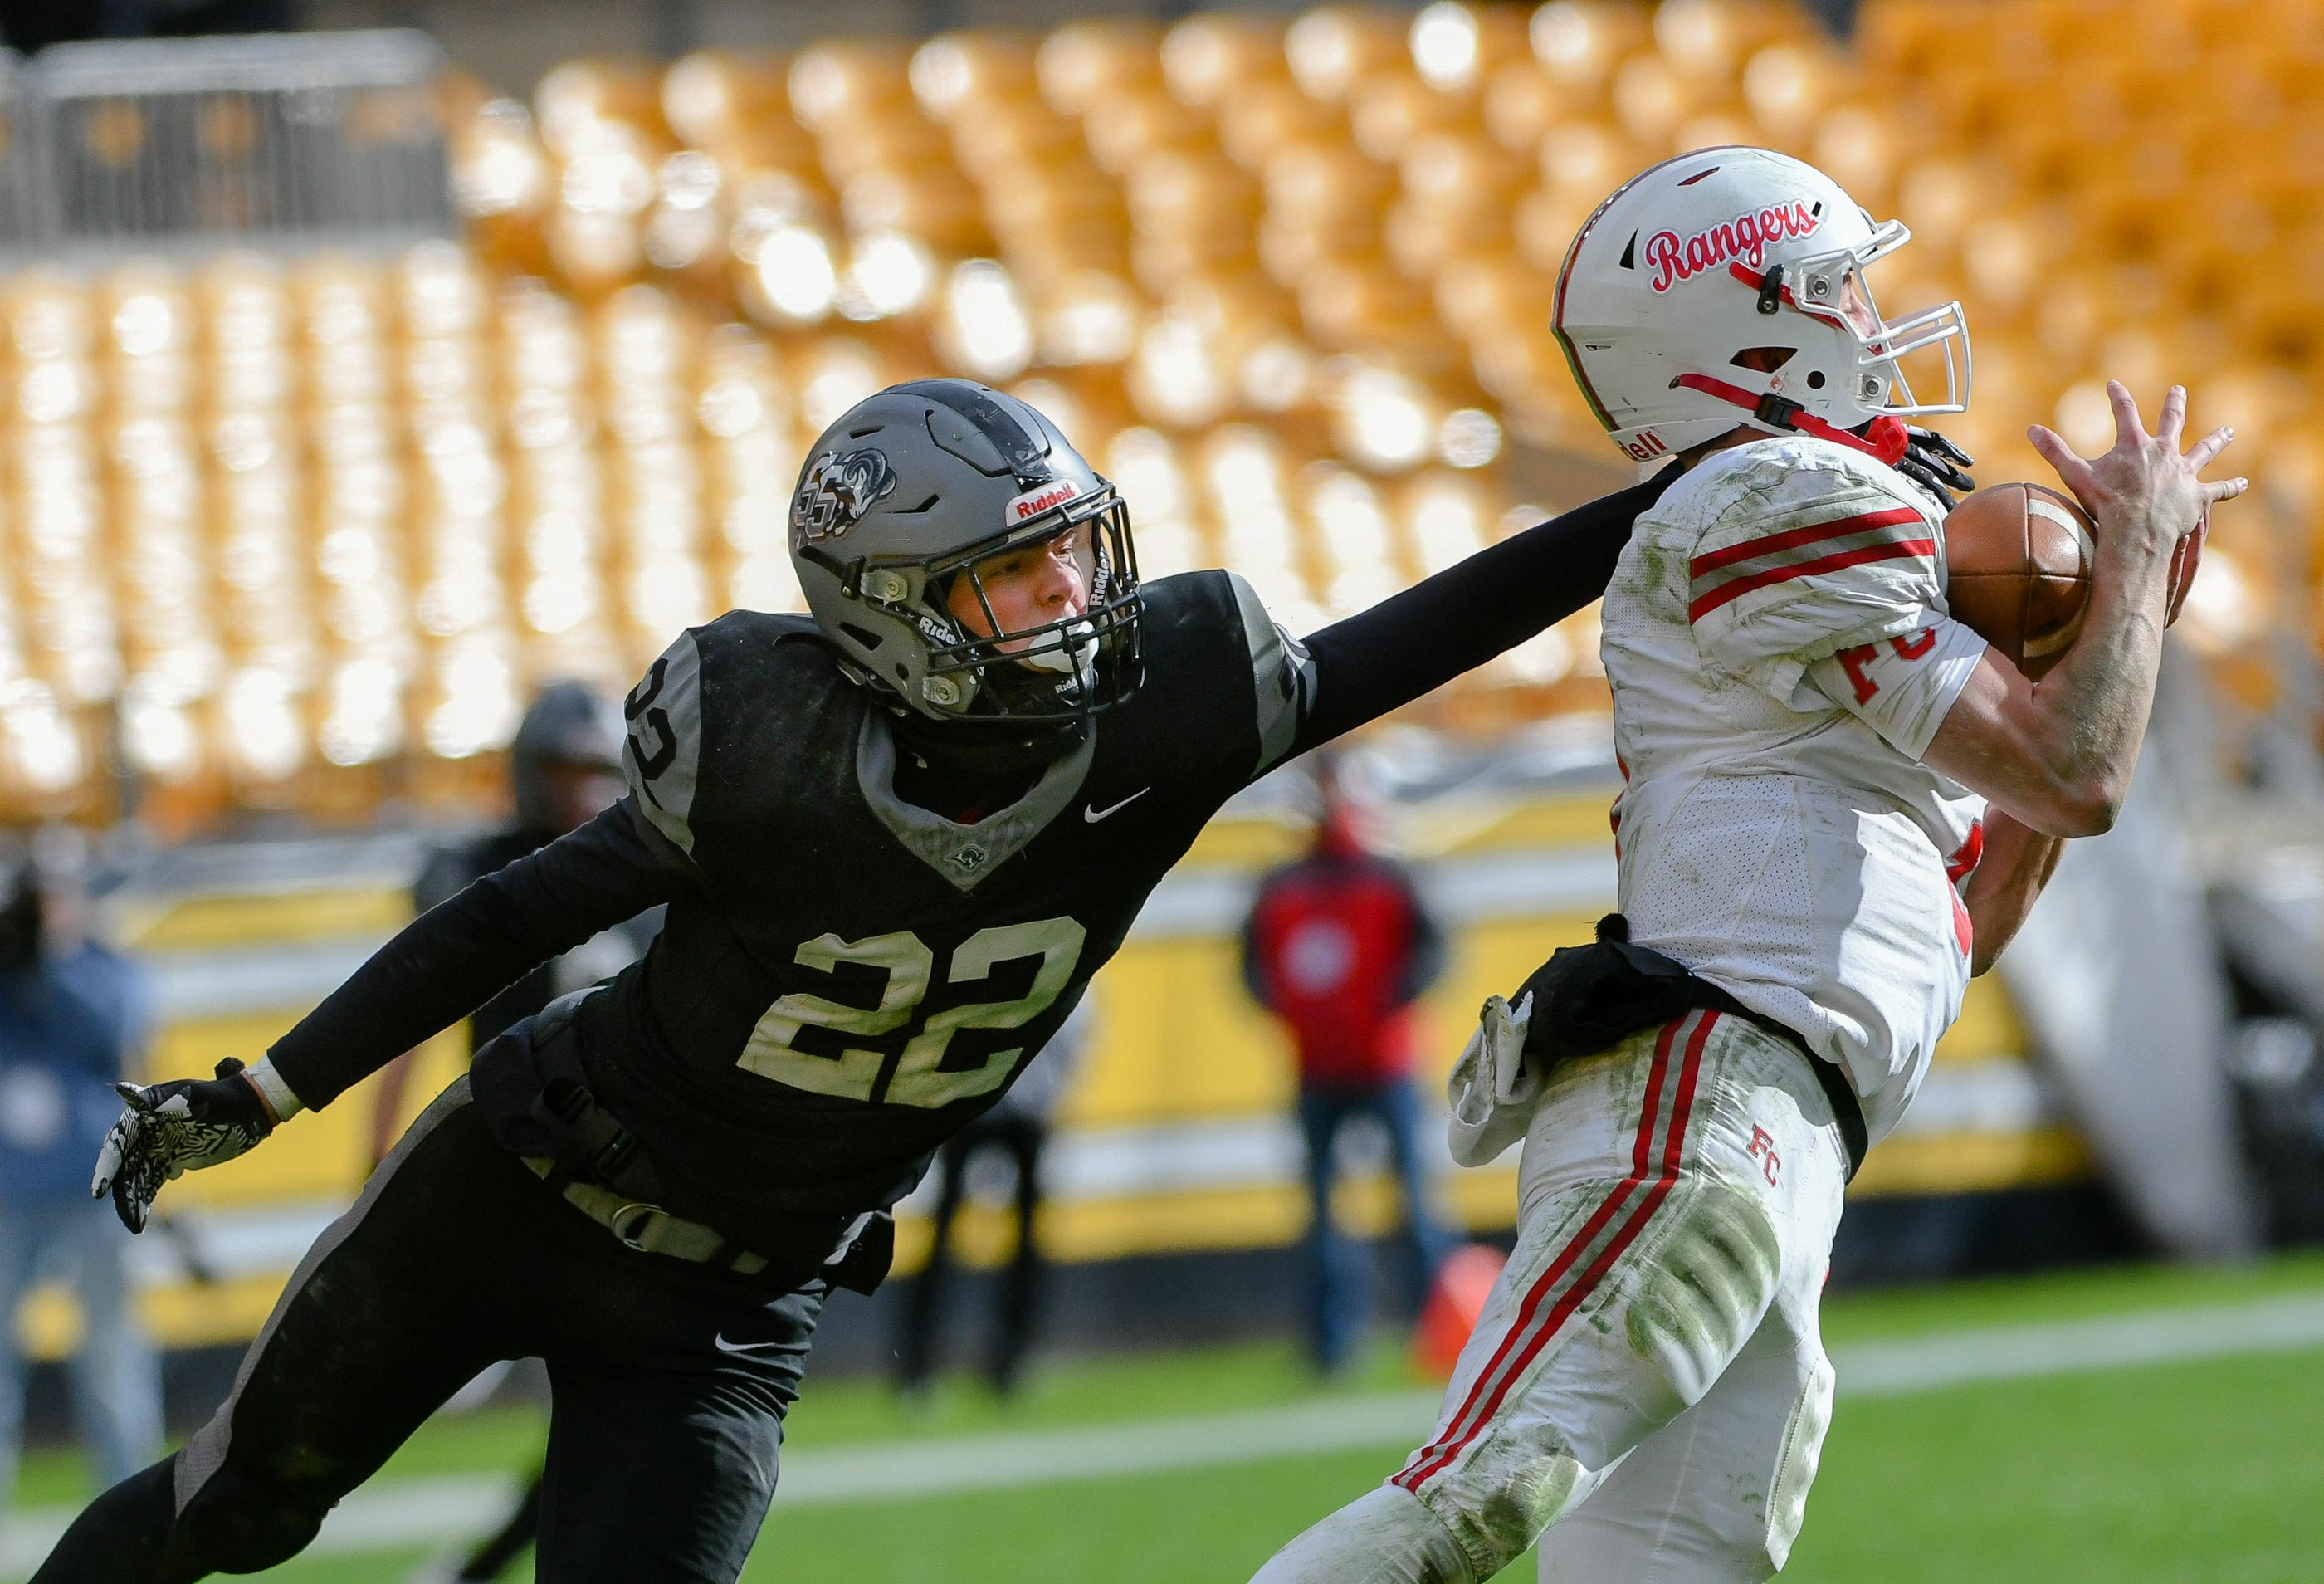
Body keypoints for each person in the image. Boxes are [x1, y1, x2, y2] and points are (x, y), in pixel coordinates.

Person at [35, 374, 1943, 1584]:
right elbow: (516, 913)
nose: (1077, 608)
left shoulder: (1162, 714)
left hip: (731, 1306)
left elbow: (1414, 634)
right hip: (513, 1196)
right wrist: (267, 1088)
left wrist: (1725, 482)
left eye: (1076, 560)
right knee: (240, 1507)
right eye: (1018, 584)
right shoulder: (763, 732)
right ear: (887, 609)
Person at [1250, 146, 2240, 1584]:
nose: (1873, 320)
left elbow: (1968, 922)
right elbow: (2075, 774)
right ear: (1751, 330)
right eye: (1841, 289)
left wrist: (2099, 644)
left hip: (1784, 1121)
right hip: (1706, 1089)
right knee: (1477, 1493)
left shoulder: (1811, 520)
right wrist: (2132, 576)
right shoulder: (1775, 491)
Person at [378, 683, 655, 1584]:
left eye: (591, 772)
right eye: (562, 771)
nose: (579, 791)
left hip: (610, 1179)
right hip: (495, 1162)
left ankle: (479, 1568)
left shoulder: (642, 868)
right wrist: (380, 1156)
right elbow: (406, 1021)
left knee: (609, 1410)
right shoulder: (479, 870)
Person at [1240, 755, 1452, 1375]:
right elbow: (1252, 966)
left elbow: (1431, 953)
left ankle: (1436, 1334)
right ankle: (1332, 1344)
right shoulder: (1282, 886)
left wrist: (1383, 1005)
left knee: (1414, 1207)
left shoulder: (1390, 878)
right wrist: (1296, 1012)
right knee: (1323, 1215)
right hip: (1318, 1067)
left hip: (1386, 1064)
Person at [0, 835, 163, 1525]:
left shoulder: (102, 966)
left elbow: (115, 1032)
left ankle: (129, 1514)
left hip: (93, 1191)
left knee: (112, 1362)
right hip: (8, 1195)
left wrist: (52, 960)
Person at [894, 995, 1091, 1398]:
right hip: (978, 1110)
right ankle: (923, 1365)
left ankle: (1006, 1361)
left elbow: (1078, 1028)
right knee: (950, 1237)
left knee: (1020, 1242)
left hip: (1009, 1110)